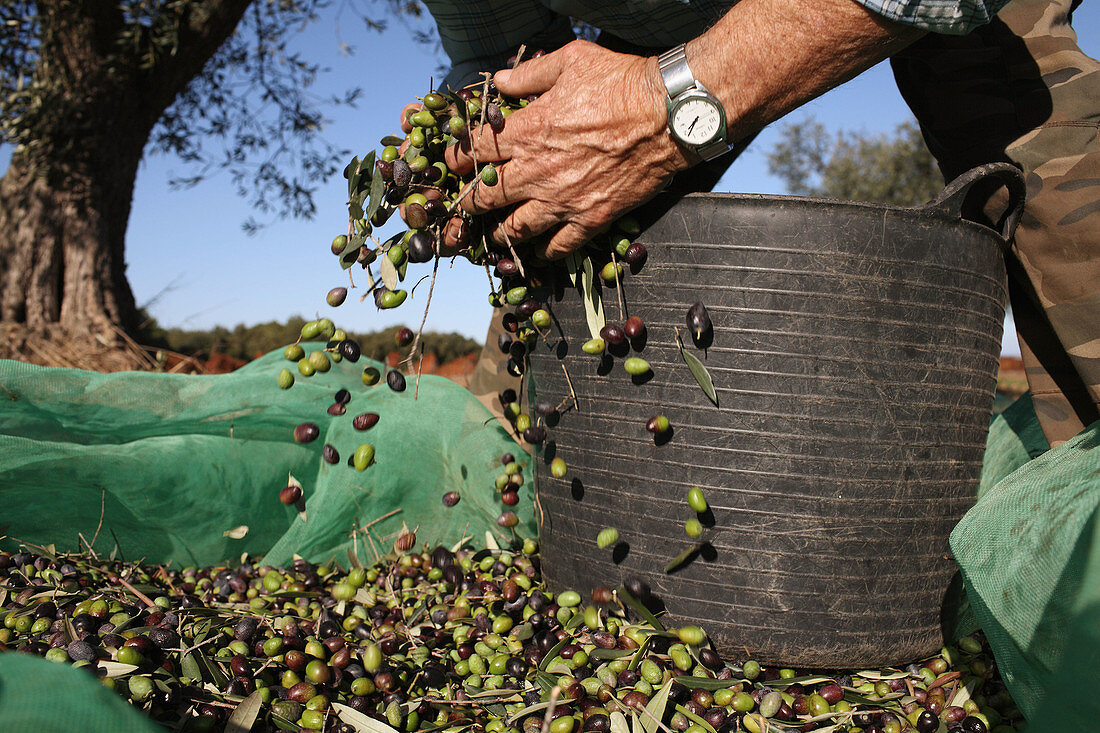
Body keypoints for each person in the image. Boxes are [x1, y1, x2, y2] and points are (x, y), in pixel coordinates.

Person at [415, 0, 1098, 448]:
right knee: (555, 199)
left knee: (1043, 170)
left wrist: (668, 104)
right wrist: (478, 141)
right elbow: (503, 57)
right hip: (669, 16)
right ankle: (512, 463)